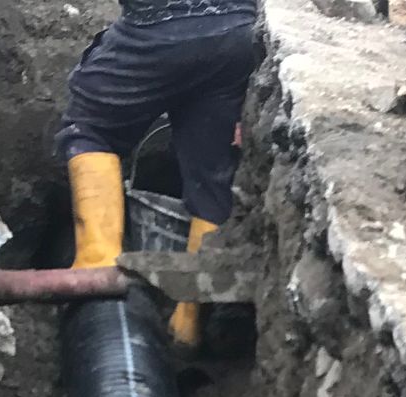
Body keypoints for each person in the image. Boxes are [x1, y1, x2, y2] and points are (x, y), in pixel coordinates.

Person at [57, 0, 261, 349]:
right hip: (237, 35)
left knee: (90, 127)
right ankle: (188, 321)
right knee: (213, 174)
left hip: (155, 28)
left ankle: (98, 261)